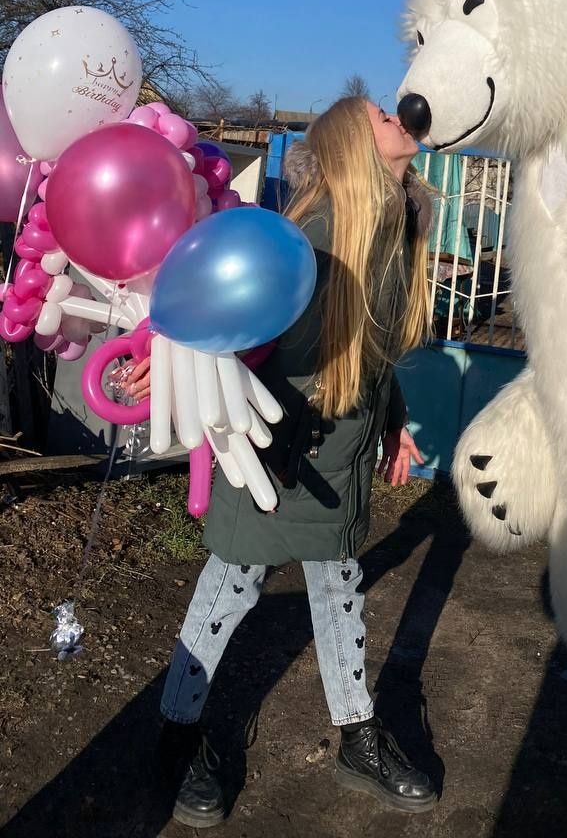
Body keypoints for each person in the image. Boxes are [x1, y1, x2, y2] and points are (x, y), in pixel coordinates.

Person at [127, 98, 437, 826]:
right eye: (382, 115)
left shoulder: (394, 229)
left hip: (344, 450)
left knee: (338, 588)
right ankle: (177, 733)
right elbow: (223, 310)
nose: (401, 117)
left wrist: (393, 424)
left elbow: (373, 357)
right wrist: (160, 354)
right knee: (232, 584)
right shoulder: (313, 232)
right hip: (274, 449)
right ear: (352, 146)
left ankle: (358, 736)